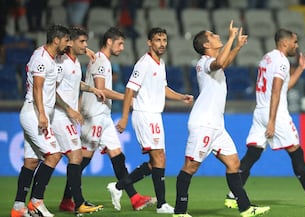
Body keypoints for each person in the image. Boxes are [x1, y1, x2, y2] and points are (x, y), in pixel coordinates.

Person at [224, 29, 305, 210]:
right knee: (295, 151)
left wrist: (300, 68)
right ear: (285, 43)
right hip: (275, 114)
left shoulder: (267, 58)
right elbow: (277, 91)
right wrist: (272, 120)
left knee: (253, 153)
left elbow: (283, 87)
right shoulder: (282, 61)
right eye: (295, 41)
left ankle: (233, 196)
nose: (297, 45)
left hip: (260, 110)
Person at [172, 21, 270, 217]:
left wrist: (237, 47)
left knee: (234, 164)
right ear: (207, 45)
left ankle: (245, 208)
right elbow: (220, 63)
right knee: (190, 166)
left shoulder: (213, 64)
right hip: (203, 124)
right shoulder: (204, 62)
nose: (218, 36)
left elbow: (224, 62)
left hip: (217, 126)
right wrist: (232, 38)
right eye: (213, 36)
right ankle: (180, 211)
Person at [114, 27, 194, 214]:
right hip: (144, 114)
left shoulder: (160, 63)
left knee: (156, 161)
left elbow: (163, 88)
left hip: (155, 115)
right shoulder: (144, 63)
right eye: (158, 40)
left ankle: (119, 187)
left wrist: (181, 97)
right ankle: (162, 204)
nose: (162, 43)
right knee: (159, 158)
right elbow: (129, 90)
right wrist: (125, 117)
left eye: (164, 40)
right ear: (149, 43)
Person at [78, 26, 156, 212]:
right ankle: (68, 198)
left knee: (118, 157)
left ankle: (135, 198)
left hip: (103, 115)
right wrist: (126, 98)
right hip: (94, 115)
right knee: (82, 160)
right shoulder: (100, 62)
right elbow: (101, 90)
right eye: (119, 43)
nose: (122, 48)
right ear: (109, 42)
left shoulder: (101, 60)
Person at [10, 24, 71, 217]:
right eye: (66, 40)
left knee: (31, 161)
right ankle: (36, 202)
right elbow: (37, 88)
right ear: (56, 40)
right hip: (34, 113)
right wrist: (42, 114)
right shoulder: (42, 59)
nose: (67, 44)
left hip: (36, 112)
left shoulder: (47, 56)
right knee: (54, 155)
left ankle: (19, 207)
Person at [52, 26, 105, 215]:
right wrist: (70, 110)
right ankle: (78, 203)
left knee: (50, 158)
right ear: (70, 42)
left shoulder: (74, 63)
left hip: (67, 116)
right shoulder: (62, 63)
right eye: (82, 42)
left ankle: (37, 201)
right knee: (75, 156)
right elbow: (52, 89)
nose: (86, 45)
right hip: (59, 115)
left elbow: (75, 84)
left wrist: (92, 89)